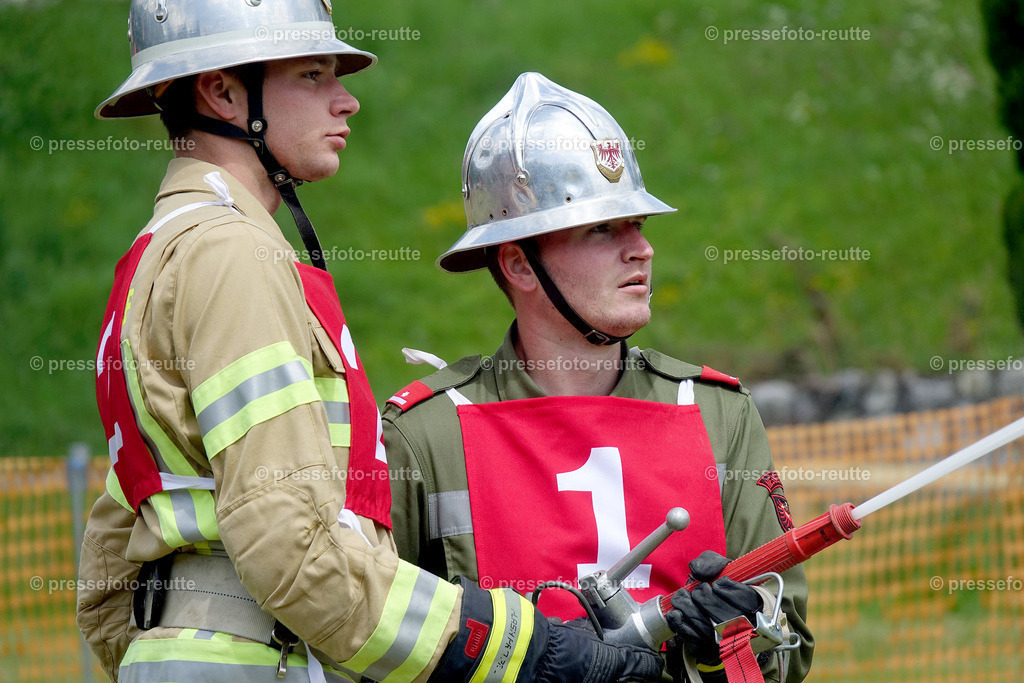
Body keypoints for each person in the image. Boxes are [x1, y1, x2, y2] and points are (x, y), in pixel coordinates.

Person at [77, 4, 665, 681]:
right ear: (223, 93)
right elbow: (288, 544)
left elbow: (107, 569)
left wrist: (166, 655)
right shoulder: (232, 257)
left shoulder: (159, 252)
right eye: (313, 74)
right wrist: (523, 650)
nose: (346, 100)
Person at [383, 72, 814, 682]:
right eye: (601, 228)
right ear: (519, 264)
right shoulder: (425, 436)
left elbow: (790, 651)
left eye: (638, 224)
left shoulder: (719, 413)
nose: (642, 250)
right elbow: (370, 642)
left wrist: (728, 643)